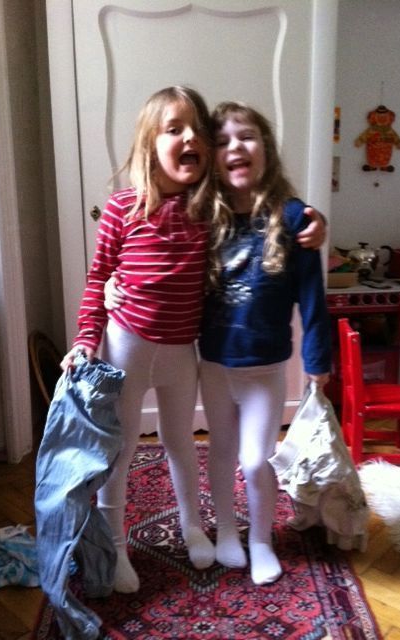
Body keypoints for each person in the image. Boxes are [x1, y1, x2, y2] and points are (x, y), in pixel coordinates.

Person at [70, 86, 327, 595]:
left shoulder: (206, 209)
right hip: (127, 347)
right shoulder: (123, 207)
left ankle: (194, 527)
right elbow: (98, 277)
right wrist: (86, 337)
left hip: (184, 354)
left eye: (197, 131)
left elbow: (265, 212)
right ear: (150, 143)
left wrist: (311, 220)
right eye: (174, 129)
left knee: (181, 441)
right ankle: (115, 546)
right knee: (121, 447)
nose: (190, 138)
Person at [197, 102, 331, 586]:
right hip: (213, 363)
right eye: (222, 141)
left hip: (265, 369)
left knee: (255, 460)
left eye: (247, 136)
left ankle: (260, 540)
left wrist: (318, 359)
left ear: (266, 150)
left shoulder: (294, 218)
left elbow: (313, 297)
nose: (235, 147)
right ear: (212, 158)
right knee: (220, 451)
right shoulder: (201, 216)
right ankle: (225, 530)